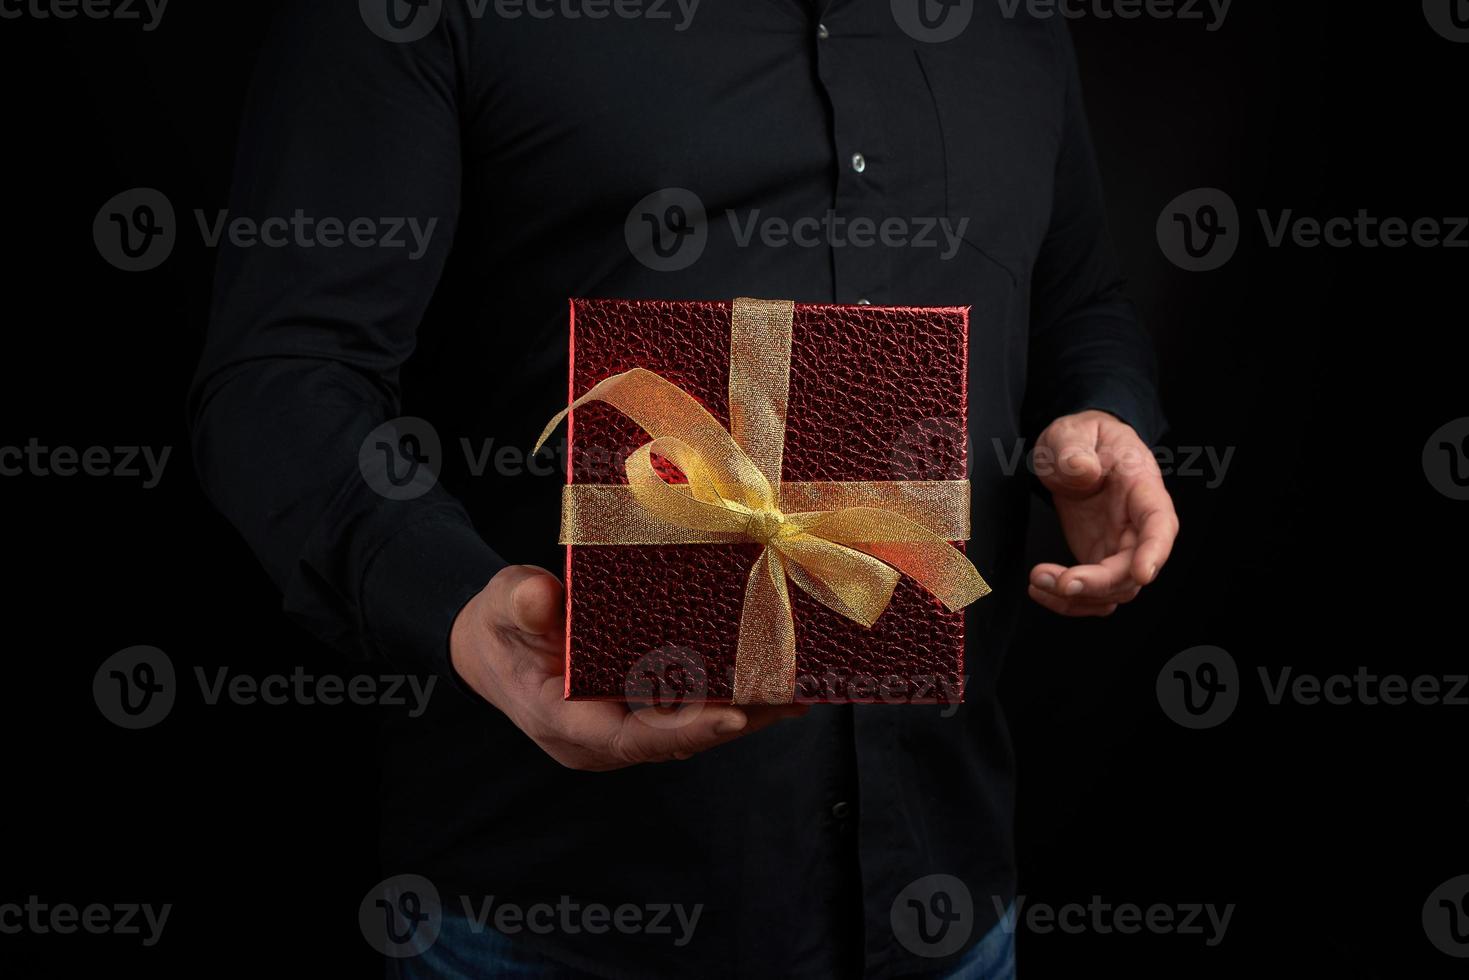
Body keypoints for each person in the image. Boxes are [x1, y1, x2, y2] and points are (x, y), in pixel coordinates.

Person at [190, 3, 1178, 977]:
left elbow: (1077, 295)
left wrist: (1101, 414)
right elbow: (282, 377)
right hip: (550, 917)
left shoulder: (1013, 21)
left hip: (945, 907)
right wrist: (453, 607)